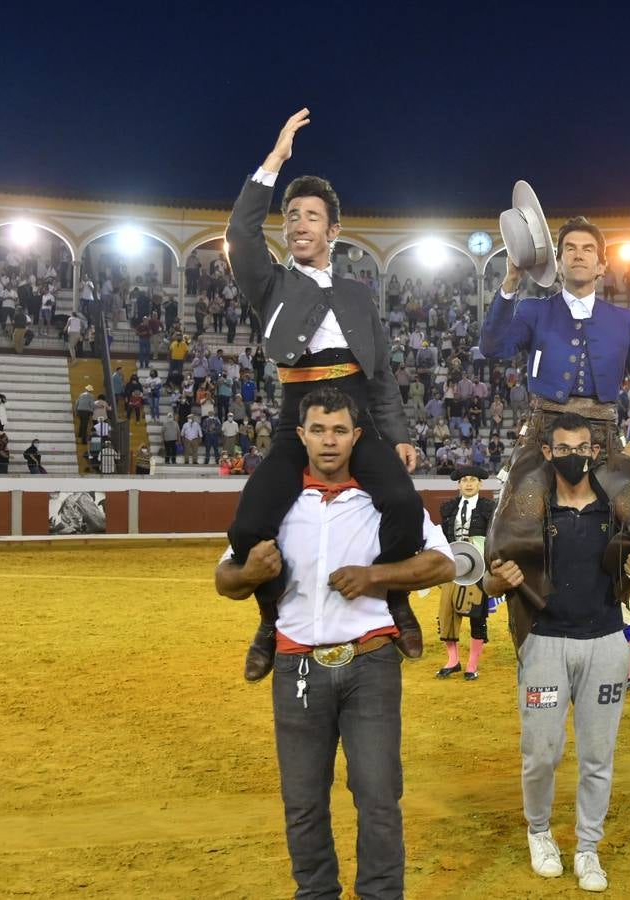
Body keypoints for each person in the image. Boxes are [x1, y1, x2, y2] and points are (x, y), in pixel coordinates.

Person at [214, 386, 456, 899]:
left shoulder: (385, 499)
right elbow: (224, 580)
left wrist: (376, 577)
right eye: (319, 430)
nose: (329, 441)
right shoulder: (276, 500)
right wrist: (250, 571)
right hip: (296, 666)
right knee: (303, 802)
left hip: (370, 663)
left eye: (340, 430)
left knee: (378, 799)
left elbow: (442, 562)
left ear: (357, 436)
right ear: (300, 435)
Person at [225, 109, 425, 682]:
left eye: (312, 216)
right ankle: (269, 620)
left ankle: (394, 599)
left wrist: (400, 434)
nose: (298, 224)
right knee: (248, 525)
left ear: (333, 231)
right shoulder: (270, 283)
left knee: (405, 505)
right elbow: (241, 234)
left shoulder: (359, 294)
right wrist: (274, 162)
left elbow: (381, 373)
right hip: (296, 420)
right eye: (291, 217)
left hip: (359, 417)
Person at [479, 211, 630, 645]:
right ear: (559, 260)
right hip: (543, 436)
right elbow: (491, 347)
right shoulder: (533, 309)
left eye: (588, 249)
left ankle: (621, 577)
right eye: (570, 248)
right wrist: (511, 281)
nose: (579, 255)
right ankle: (528, 616)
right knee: (509, 529)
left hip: (604, 439)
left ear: (602, 265)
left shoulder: (623, 320)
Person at [482, 412, 630, 893]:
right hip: (544, 645)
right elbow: (487, 578)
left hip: (606, 643)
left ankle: (587, 847)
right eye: (562, 448)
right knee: (541, 754)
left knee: (598, 756)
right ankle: (539, 832)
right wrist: (498, 581)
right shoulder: (529, 511)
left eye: (581, 448)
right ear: (546, 453)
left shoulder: (615, 510)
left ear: (595, 451)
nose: (573, 456)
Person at [435, 465, 497, 680]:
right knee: (447, 613)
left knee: (476, 615)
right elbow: (443, 536)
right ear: (459, 484)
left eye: (472, 480)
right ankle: (453, 661)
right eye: (464, 480)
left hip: (477, 567)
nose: (468, 483)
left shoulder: (489, 507)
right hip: (453, 565)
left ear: (480, 483)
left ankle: (472, 664)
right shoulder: (448, 507)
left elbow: (494, 538)